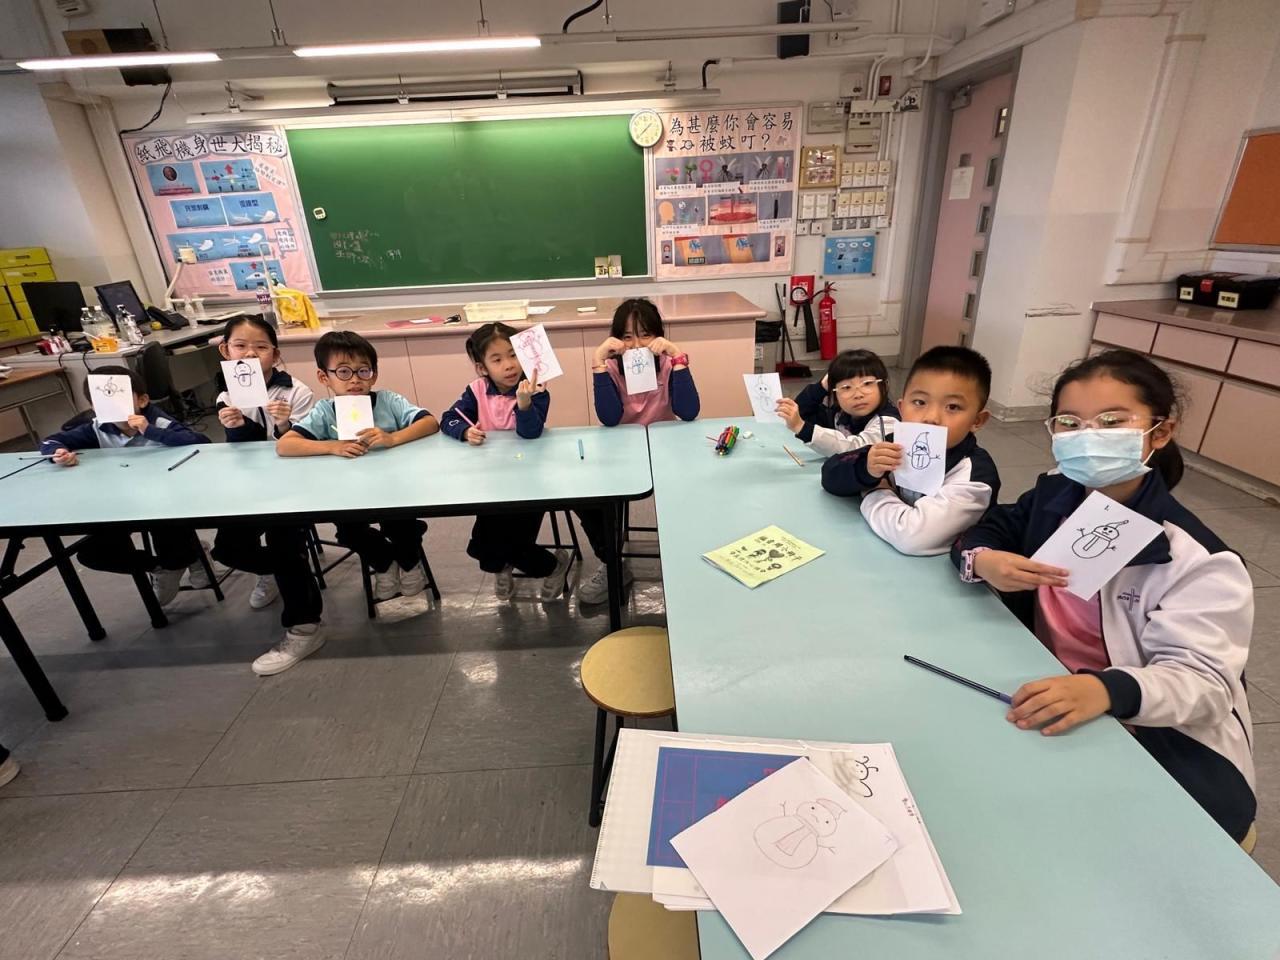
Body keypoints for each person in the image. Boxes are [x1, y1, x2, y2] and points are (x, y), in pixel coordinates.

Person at [952, 349, 1256, 842]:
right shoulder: (1055, 495)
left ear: (1160, 432)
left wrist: (1106, 689)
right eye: (1070, 423)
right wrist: (982, 558)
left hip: (1157, 732)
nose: (1088, 436)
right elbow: (992, 528)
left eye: (1112, 421)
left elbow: (1206, 685)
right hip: (1043, 685)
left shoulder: (1197, 559)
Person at [277, 331, 439, 600]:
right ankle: (385, 563)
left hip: (395, 487)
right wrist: (332, 446)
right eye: (343, 372)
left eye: (363, 371)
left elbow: (430, 422)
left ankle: (411, 563)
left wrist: (393, 438)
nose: (354, 379)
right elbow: (285, 445)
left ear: (373, 375)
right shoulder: (325, 411)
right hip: (347, 493)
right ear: (324, 377)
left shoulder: (388, 401)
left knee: (402, 526)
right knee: (349, 532)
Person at [40, 365, 212, 605]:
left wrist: (149, 431)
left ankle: (188, 557)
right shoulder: (96, 428)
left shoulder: (158, 421)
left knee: (171, 538)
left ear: (142, 400)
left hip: (166, 500)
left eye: (119, 396)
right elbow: (50, 441)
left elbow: (199, 441)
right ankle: (161, 567)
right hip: (120, 503)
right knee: (92, 554)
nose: (111, 404)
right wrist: (58, 453)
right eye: (101, 400)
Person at [212, 314, 324, 675]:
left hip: (294, 484)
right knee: (226, 549)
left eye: (260, 347)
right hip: (248, 486)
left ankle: (305, 627)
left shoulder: (296, 391)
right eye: (240, 346)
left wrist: (285, 424)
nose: (250, 354)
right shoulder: (226, 394)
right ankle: (278, 571)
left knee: (284, 542)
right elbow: (240, 452)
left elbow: (304, 445)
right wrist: (236, 427)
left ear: (275, 355)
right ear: (225, 351)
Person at [821, 345, 1000, 555]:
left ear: (977, 420)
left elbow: (912, 537)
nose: (931, 418)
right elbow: (830, 473)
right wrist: (865, 469)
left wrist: (876, 491)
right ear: (902, 408)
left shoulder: (975, 475)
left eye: (953, 407)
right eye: (919, 402)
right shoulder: (894, 443)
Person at [578, 298, 700, 605]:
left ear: (658, 335)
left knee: (690, 492)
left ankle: (687, 559)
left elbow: (688, 411)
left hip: (665, 448)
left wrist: (677, 356)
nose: (636, 345)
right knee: (591, 499)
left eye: (645, 335)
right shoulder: (610, 368)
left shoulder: (670, 364)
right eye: (627, 336)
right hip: (623, 451)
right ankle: (612, 563)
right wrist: (597, 362)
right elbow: (608, 417)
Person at [439, 323, 572, 601]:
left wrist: (524, 403)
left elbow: (530, 433)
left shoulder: (535, 388)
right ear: (482, 367)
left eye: (513, 355)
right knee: (482, 548)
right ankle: (503, 567)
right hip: (492, 481)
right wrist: (464, 431)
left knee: (512, 545)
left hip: (530, 481)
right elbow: (448, 419)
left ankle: (553, 567)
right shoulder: (476, 390)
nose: (509, 365)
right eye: (497, 359)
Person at [775, 349, 899, 457]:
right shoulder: (839, 414)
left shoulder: (889, 422)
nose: (858, 394)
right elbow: (802, 414)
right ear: (835, 393)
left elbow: (856, 449)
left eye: (867, 384)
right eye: (846, 387)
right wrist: (821, 387)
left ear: (884, 386)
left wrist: (802, 427)